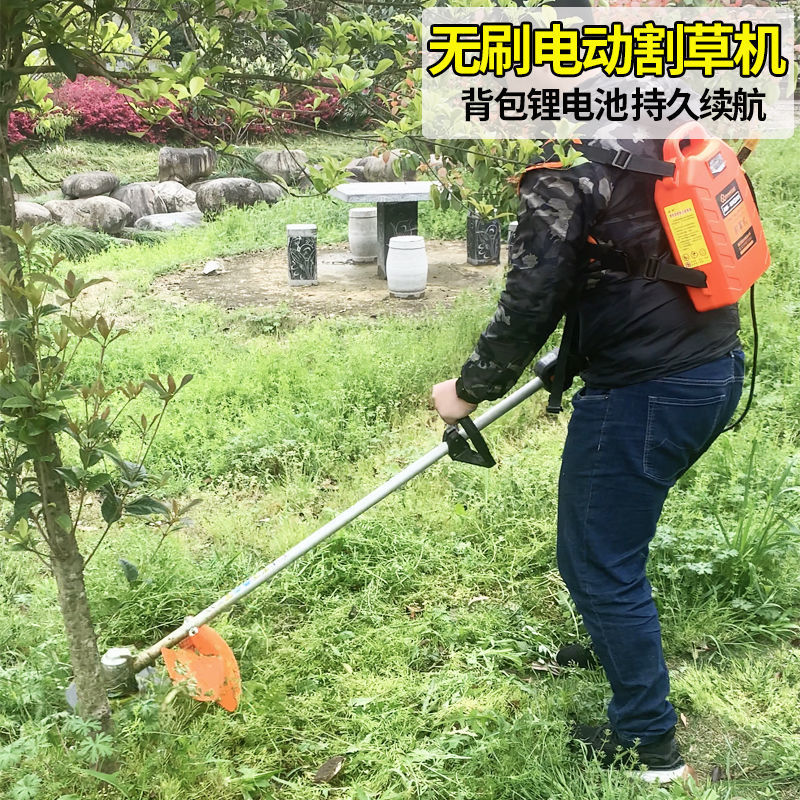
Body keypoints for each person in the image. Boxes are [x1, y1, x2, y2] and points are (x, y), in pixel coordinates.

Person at [431, 129, 744, 781]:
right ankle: (617, 647)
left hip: (646, 393)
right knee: (612, 549)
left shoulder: (560, 172)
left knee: (598, 562)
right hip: (712, 369)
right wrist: (571, 355)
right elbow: (629, 264)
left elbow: (531, 297)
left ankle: (648, 744)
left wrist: (467, 390)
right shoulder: (645, 135)